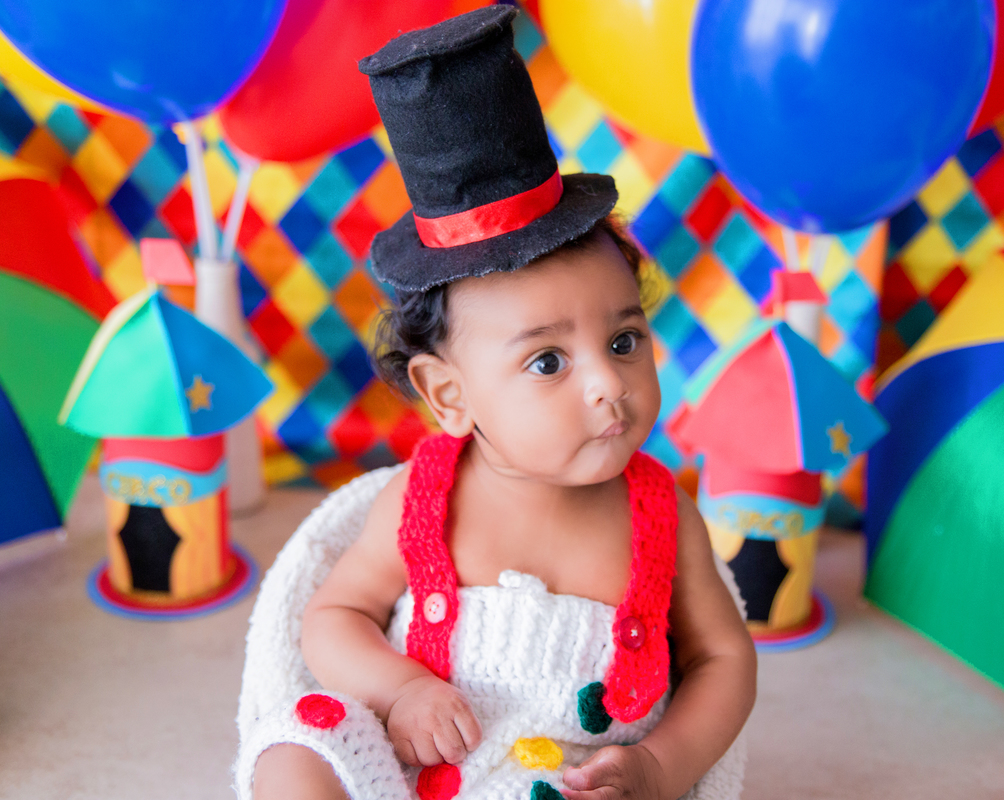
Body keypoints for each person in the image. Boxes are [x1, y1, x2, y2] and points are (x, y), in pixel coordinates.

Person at [248, 7, 756, 800]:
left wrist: (661, 764)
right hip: (412, 765)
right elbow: (333, 617)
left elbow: (723, 663)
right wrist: (400, 688)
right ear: (449, 395)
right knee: (297, 752)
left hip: (558, 780)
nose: (606, 383)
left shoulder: (660, 516)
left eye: (624, 341)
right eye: (548, 360)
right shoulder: (422, 501)